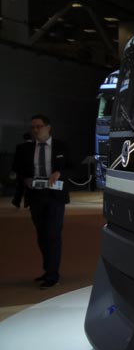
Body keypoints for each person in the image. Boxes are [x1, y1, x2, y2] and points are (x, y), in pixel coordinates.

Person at [11, 114, 71, 289]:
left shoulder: (62, 146)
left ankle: (53, 275)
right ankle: (48, 269)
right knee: (42, 235)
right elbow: (18, 171)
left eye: (39, 126)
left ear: (48, 127)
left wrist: (59, 173)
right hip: (35, 196)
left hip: (55, 196)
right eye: (33, 127)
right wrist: (25, 180)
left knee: (53, 234)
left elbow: (72, 167)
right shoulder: (24, 149)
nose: (35, 130)